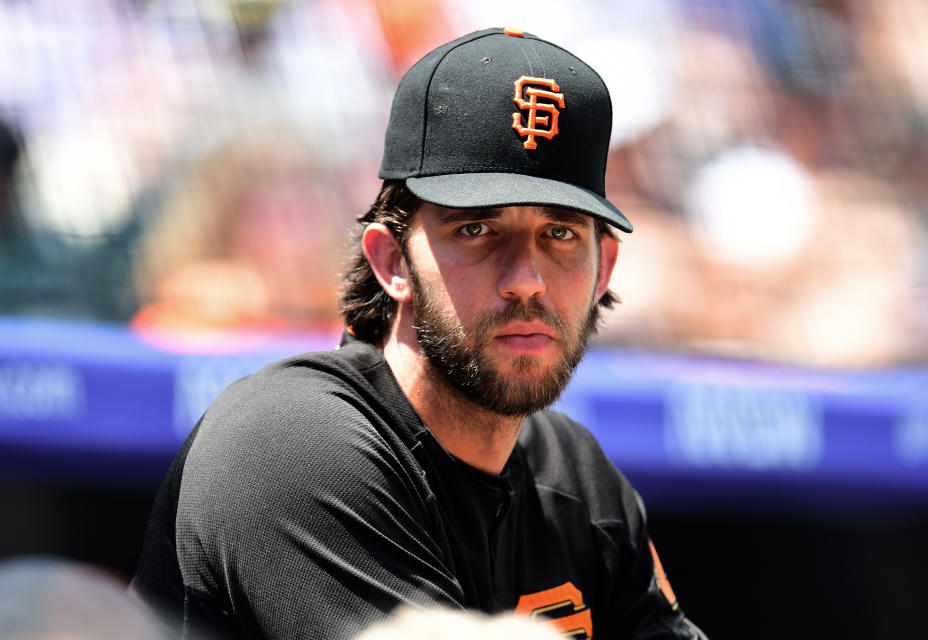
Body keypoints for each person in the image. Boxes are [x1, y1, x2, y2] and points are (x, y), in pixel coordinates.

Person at [131, 27, 707, 640]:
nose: (526, 281)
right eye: (477, 231)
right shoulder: (291, 441)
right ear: (392, 261)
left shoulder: (575, 474)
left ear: (604, 270)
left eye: (560, 233)